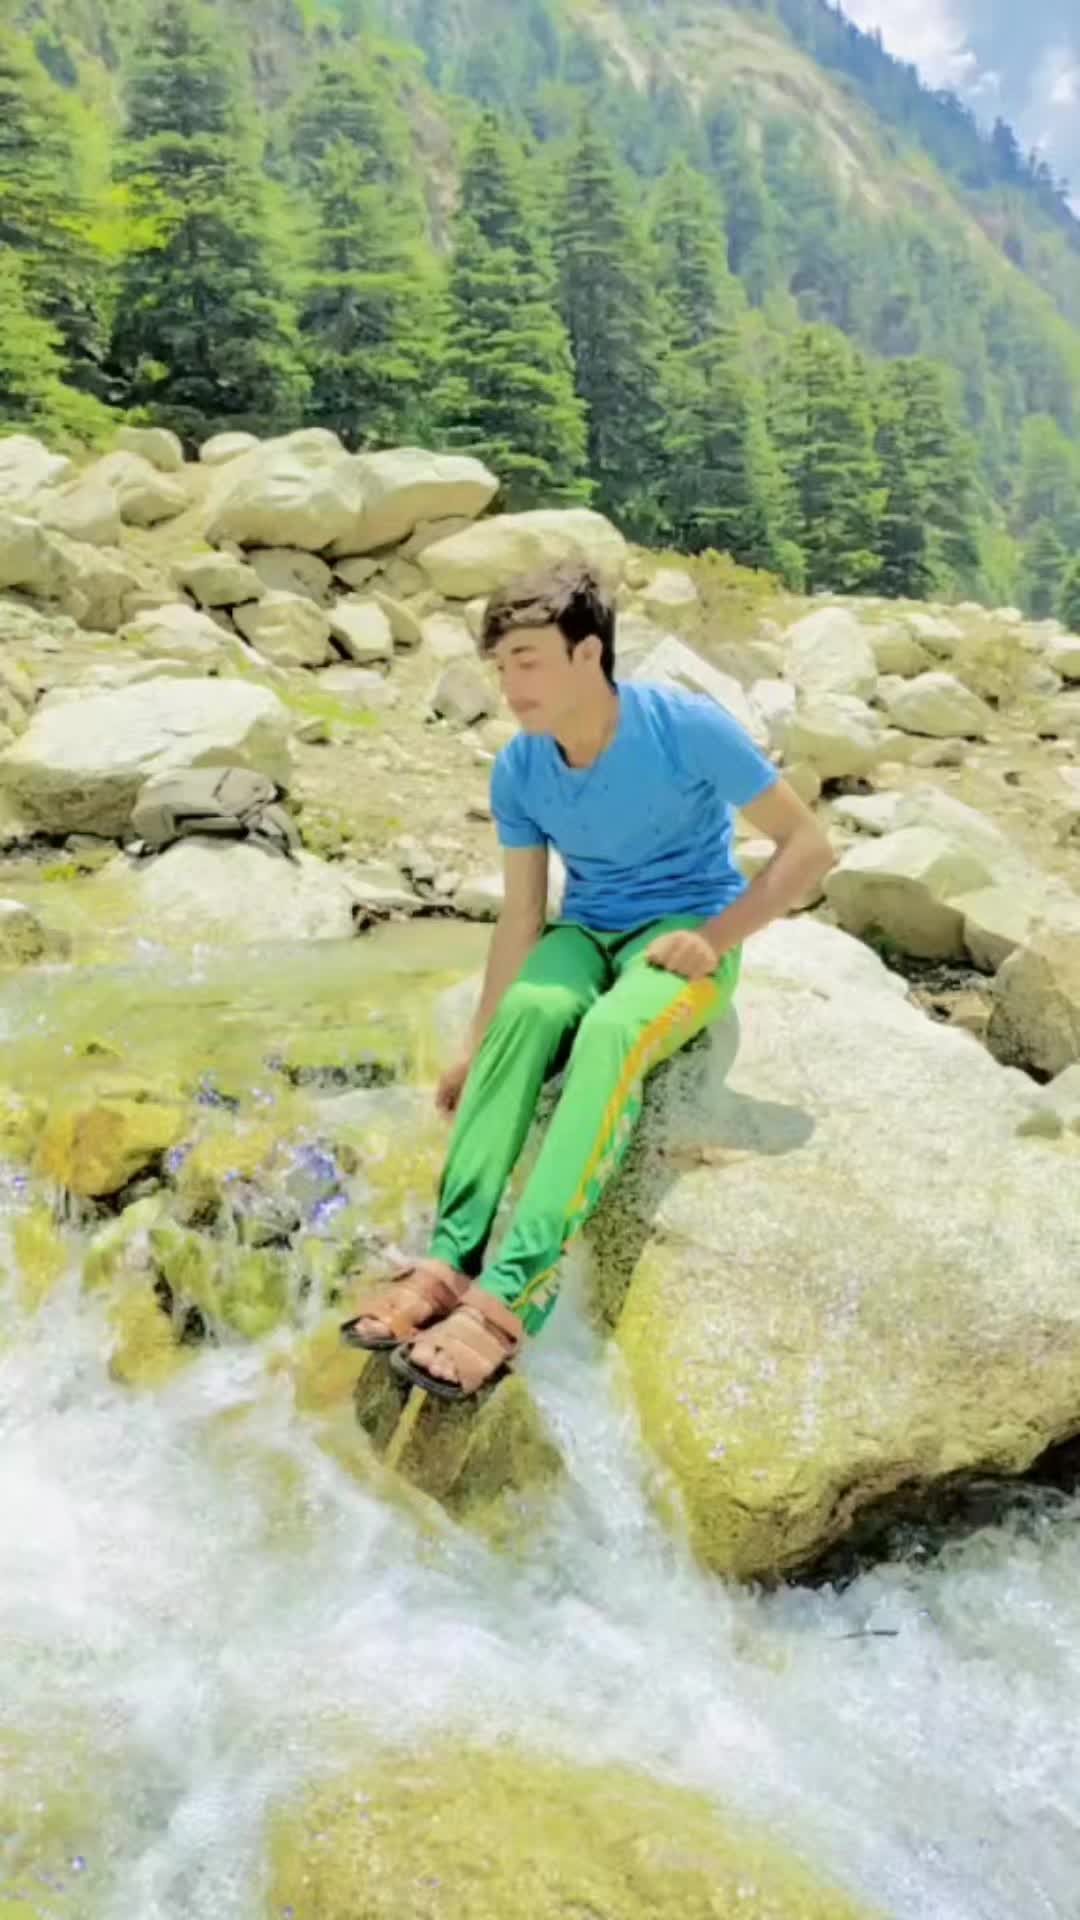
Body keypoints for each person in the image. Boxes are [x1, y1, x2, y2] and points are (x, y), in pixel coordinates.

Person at [340, 562, 834, 1400]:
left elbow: (810, 847)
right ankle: (449, 1262)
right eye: (502, 665)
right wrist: (478, 1047)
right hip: (584, 932)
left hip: (683, 931)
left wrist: (714, 940)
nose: (511, 685)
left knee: (610, 1033)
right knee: (530, 1012)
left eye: (528, 660)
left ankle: (512, 1296)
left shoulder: (683, 727)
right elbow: (522, 916)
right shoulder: (520, 768)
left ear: (588, 654)